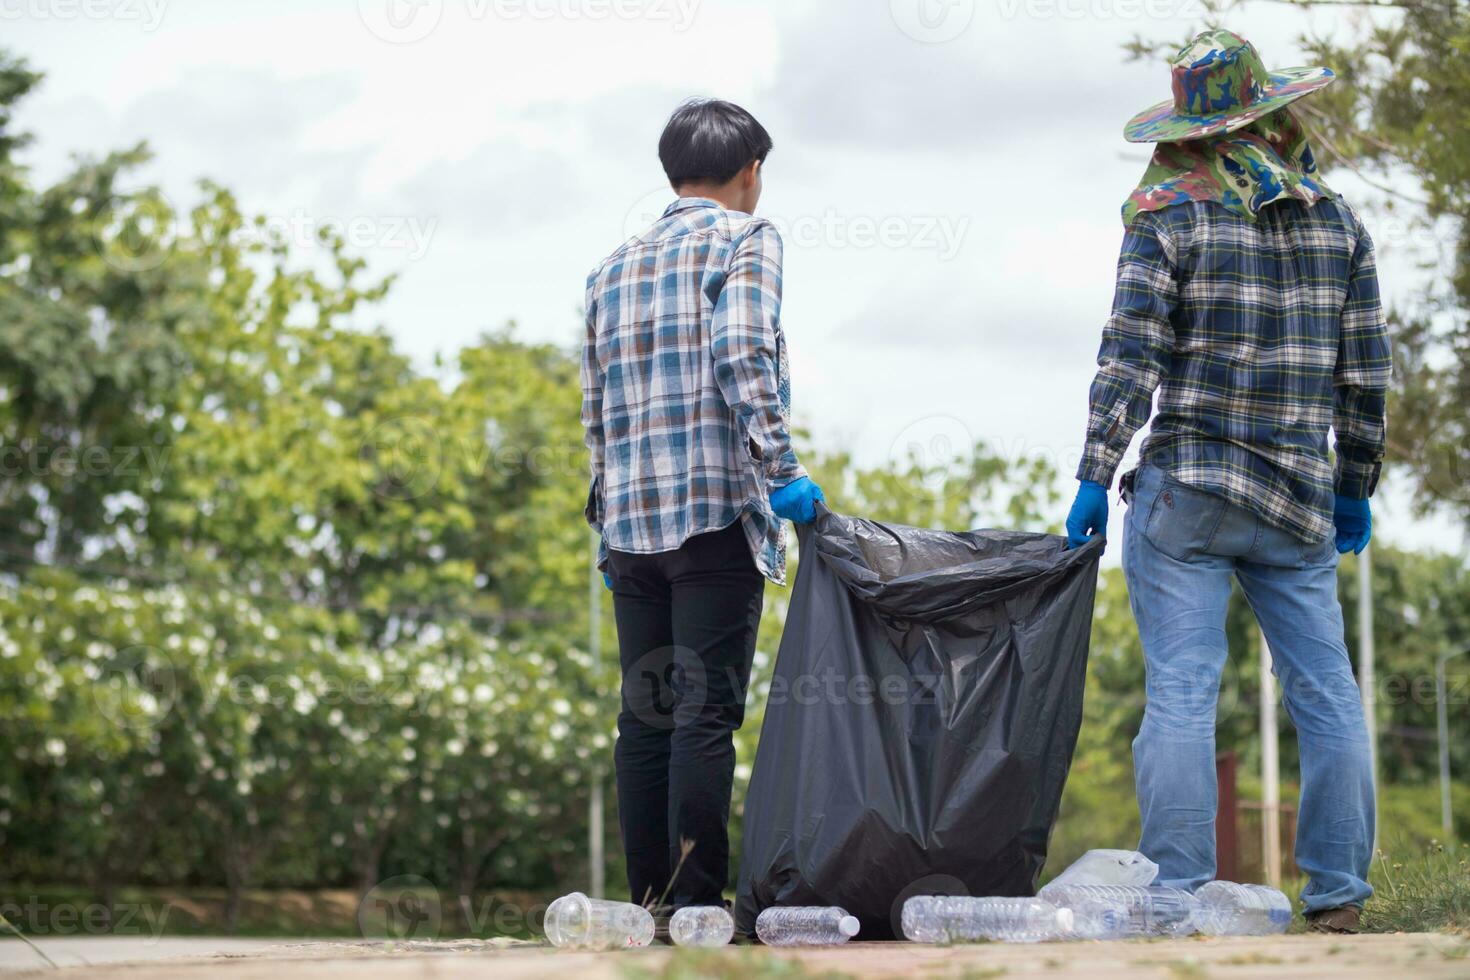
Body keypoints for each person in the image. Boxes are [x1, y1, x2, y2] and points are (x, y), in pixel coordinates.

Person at [1064, 29, 1389, 933]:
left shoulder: (1166, 217)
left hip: (1188, 494)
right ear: (1270, 112)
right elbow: (1364, 372)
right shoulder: (1338, 221)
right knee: (1326, 692)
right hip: (1296, 501)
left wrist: (1095, 475)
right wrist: (1354, 482)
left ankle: (1176, 895)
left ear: (1191, 128)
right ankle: (1338, 896)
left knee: (1181, 688)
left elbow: (1129, 358)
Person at [581, 98, 824, 921]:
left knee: (644, 717)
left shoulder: (609, 269)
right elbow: (743, 350)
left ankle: (648, 905)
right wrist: (782, 469)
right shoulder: (749, 239)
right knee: (705, 715)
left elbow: (596, 410)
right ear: (751, 171)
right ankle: (697, 908)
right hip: (716, 515)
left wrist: (604, 533)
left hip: (631, 532)